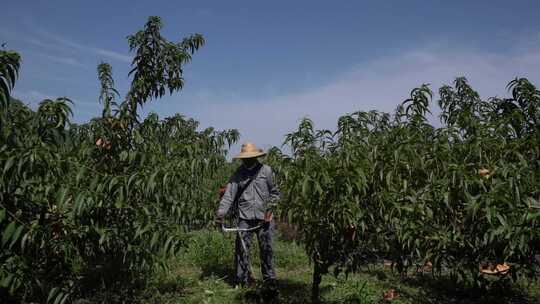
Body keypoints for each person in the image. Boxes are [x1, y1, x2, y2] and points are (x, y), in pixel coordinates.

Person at [215, 142, 280, 289]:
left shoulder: (266, 171)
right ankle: (241, 281)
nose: (247, 160)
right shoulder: (238, 174)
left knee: (267, 248)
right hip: (245, 217)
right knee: (242, 249)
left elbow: (275, 193)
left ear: (255, 157)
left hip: (265, 217)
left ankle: (270, 281)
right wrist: (220, 214)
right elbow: (228, 196)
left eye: (250, 157)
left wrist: (270, 210)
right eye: (245, 158)